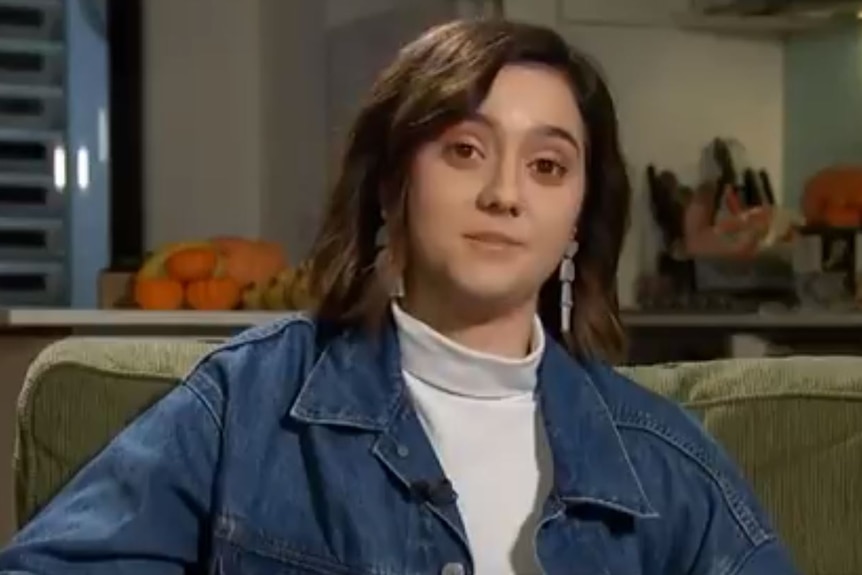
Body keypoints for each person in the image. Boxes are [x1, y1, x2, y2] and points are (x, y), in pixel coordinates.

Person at [0, 18, 798, 575]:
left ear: (579, 220)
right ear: (391, 186)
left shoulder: (665, 462)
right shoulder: (245, 405)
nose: (504, 193)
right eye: (464, 149)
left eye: (547, 166)